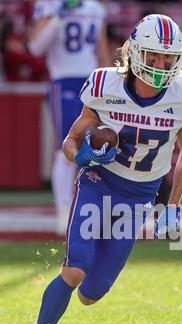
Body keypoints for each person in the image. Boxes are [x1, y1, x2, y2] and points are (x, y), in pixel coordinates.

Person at [17, 13, 182, 324]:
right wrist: (84, 156)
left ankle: (76, 288)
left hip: (139, 196)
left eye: (168, 58)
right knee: (75, 270)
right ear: (135, 53)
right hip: (99, 182)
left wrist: (173, 205)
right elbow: (70, 142)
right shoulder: (106, 85)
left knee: (91, 294)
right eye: (153, 56)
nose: (160, 64)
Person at [29, 0, 110, 234]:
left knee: (98, 145)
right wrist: (57, 16)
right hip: (63, 80)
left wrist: (110, 87)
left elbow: (102, 52)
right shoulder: (49, 5)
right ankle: (63, 209)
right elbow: (35, 47)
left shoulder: (95, 10)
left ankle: (90, 205)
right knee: (63, 148)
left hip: (92, 83)